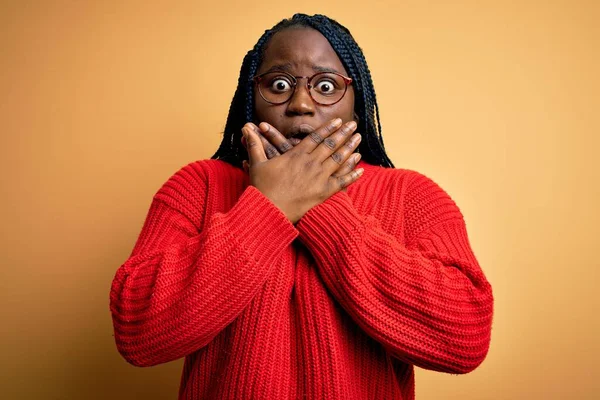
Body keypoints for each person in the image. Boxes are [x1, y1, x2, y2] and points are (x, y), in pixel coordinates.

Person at [109, 13, 494, 400]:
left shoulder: (412, 195)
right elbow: (138, 331)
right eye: (279, 84)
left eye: (326, 86)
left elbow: (465, 338)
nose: (301, 104)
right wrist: (267, 206)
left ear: (357, 106)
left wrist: (319, 207)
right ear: (250, 101)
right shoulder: (199, 186)